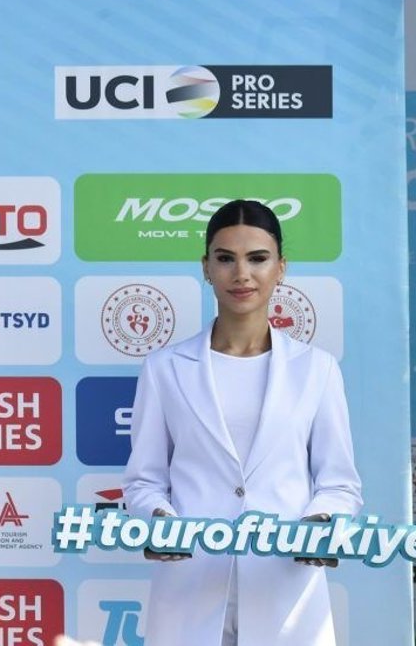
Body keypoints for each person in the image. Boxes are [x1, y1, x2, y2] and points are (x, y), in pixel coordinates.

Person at [123, 199, 362, 646]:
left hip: (286, 589)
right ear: (206, 267)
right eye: (225, 258)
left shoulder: (317, 369)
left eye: (257, 258)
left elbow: (339, 483)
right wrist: (157, 521)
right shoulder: (164, 368)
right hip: (190, 584)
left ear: (281, 268)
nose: (241, 274)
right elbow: (144, 481)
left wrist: (321, 523)